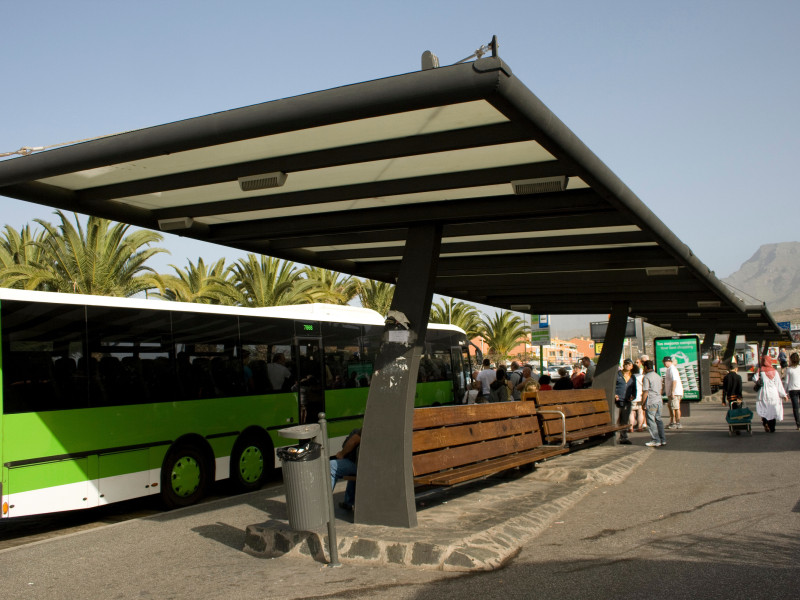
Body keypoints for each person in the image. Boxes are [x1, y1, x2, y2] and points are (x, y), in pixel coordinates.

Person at [754, 355, 788, 433]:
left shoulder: (760, 371)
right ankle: (772, 427)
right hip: (773, 394)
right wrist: (784, 395)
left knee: (764, 409)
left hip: (763, 393)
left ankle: (765, 423)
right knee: (773, 410)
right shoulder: (774, 371)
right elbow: (779, 384)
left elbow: (754, 379)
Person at [330, 428, 360, 511]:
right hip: (373, 466)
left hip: (363, 467)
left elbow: (353, 441)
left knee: (331, 466)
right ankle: (349, 502)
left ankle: (324, 506)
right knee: (352, 470)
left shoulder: (369, 426)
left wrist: (342, 454)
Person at [642, 360, 666, 447]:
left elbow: (645, 391)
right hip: (659, 400)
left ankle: (655, 440)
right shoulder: (658, 376)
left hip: (651, 401)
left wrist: (643, 403)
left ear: (645, 367)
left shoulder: (646, 377)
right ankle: (662, 439)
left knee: (651, 421)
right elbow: (661, 389)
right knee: (658, 420)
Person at [614, 359, 636, 444]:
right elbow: (613, 387)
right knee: (615, 419)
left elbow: (634, 389)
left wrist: (633, 396)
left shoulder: (632, 377)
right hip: (617, 400)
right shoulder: (618, 375)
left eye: (629, 364)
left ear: (631, 367)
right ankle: (614, 437)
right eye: (626, 364)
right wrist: (614, 395)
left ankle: (623, 437)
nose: (627, 365)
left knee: (625, 420)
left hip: (627, 401)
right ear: (623, 365)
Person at [663, 356, 684, 429]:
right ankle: (673, 421)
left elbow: (674, 381)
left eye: (666, 362)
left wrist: (672, 392)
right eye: (664, 362)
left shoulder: (672, 369)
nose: (665, 363)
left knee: (675, 407)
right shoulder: (669, 369)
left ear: (670, 362)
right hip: (672, 392)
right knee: (671, 407)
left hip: (675, 392)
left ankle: (677, 422)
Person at [784, 352, 800, 430]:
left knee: (796, 408)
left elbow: (786, 381)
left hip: (792, 390)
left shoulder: (789, 370)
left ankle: (798, 425)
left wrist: (785, 392)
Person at [629, 363, 645, 432]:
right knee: (640, 412)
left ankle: (631, 427)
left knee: (632, 413)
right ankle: (640, 427)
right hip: (640, 396)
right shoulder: (642, 376)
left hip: (633, 397)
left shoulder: (630, 377)